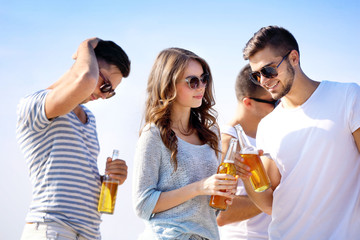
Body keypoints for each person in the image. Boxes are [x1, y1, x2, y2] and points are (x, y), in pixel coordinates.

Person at [236, 25, 360, 240]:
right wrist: (246, 177)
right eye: (257, 76)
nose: (264, 81)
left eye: (269, 70)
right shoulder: (268, 125)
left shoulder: (348, 96)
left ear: (294, 58)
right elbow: (269, 203)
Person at [16, 37, 131, 240]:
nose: (104, 96)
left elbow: (74, 176)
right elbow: (85, 80)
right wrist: (85, 46)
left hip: (88, 233)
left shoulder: (90, 118)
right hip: (52, 228)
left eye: (111, 92)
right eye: (105, 85)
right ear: (86, 64)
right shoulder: (36, 103)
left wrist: (110, 179)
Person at [132, 47, 237, 240]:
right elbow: (142, 204)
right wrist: (200, 187)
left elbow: (207, 208)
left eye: (203, 78)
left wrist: (222, 193)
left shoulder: (211, 133)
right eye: (192, 81)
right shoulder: (153, 135)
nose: (201, 87)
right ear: (169, 85)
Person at [217, 64, 276, 239]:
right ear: (248, 102)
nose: (280, 106)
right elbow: (221, 213)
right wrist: (275, 199)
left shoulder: (271, 135)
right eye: (273, 102)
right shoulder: (226, 142)